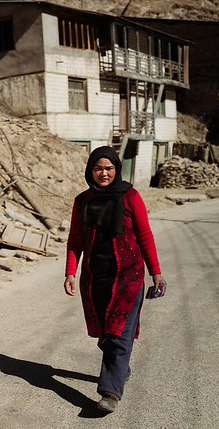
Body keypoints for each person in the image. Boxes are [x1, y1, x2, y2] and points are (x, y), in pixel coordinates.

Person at [63, 146, 167, 413]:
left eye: (109, 168)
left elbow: (145, 235)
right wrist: (70, 272)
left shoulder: (130, 197)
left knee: (119, 334)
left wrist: (155, 272)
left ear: (117, 169)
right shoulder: (82, 201)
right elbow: (75, 240)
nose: (104, 173)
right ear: (90, 170)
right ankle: (120, 368)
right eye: (98, 168)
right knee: (104, 335)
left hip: (128, 277)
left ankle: (110, 392)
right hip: (95, 279)